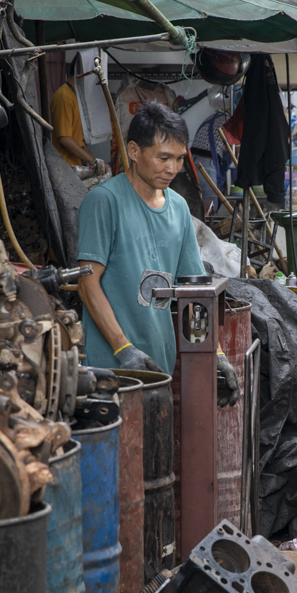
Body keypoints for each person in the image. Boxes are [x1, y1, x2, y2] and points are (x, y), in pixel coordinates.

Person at [76, 101, 239, 404]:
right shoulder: (103, 202)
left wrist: (214, 355)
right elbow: (87, 285)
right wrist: (124, 349)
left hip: (159, 368)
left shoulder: (178, 208)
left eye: (179, 158)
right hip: (110, 372)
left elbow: (195, 293)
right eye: (163, 157)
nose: (173, 168)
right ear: (135, 151)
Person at [50, 56, 106, 175]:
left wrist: (96, 163)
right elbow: (64, 139)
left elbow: (79, 143)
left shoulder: (75, 96)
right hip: (64, 169)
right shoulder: (64, 96)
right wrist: (93, 161)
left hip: (75, 168)